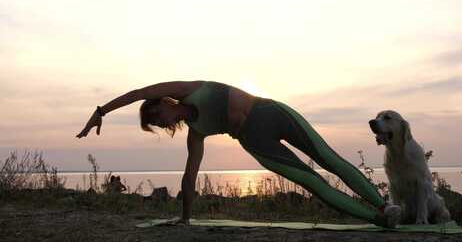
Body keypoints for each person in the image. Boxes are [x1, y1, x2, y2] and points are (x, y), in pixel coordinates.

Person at [76, 80, 400, 227]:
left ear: (164, 103)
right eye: (157, 126)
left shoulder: (187, 88)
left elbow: (138, 93)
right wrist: (185, 218)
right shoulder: (197, 134)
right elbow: (190, 176)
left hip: (271, 111)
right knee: (313, 182)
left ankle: (385, 204)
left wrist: (101, 111)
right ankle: (379, 218)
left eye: (157, 118)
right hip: (255, 141)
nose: (163, 124)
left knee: (329, 158)